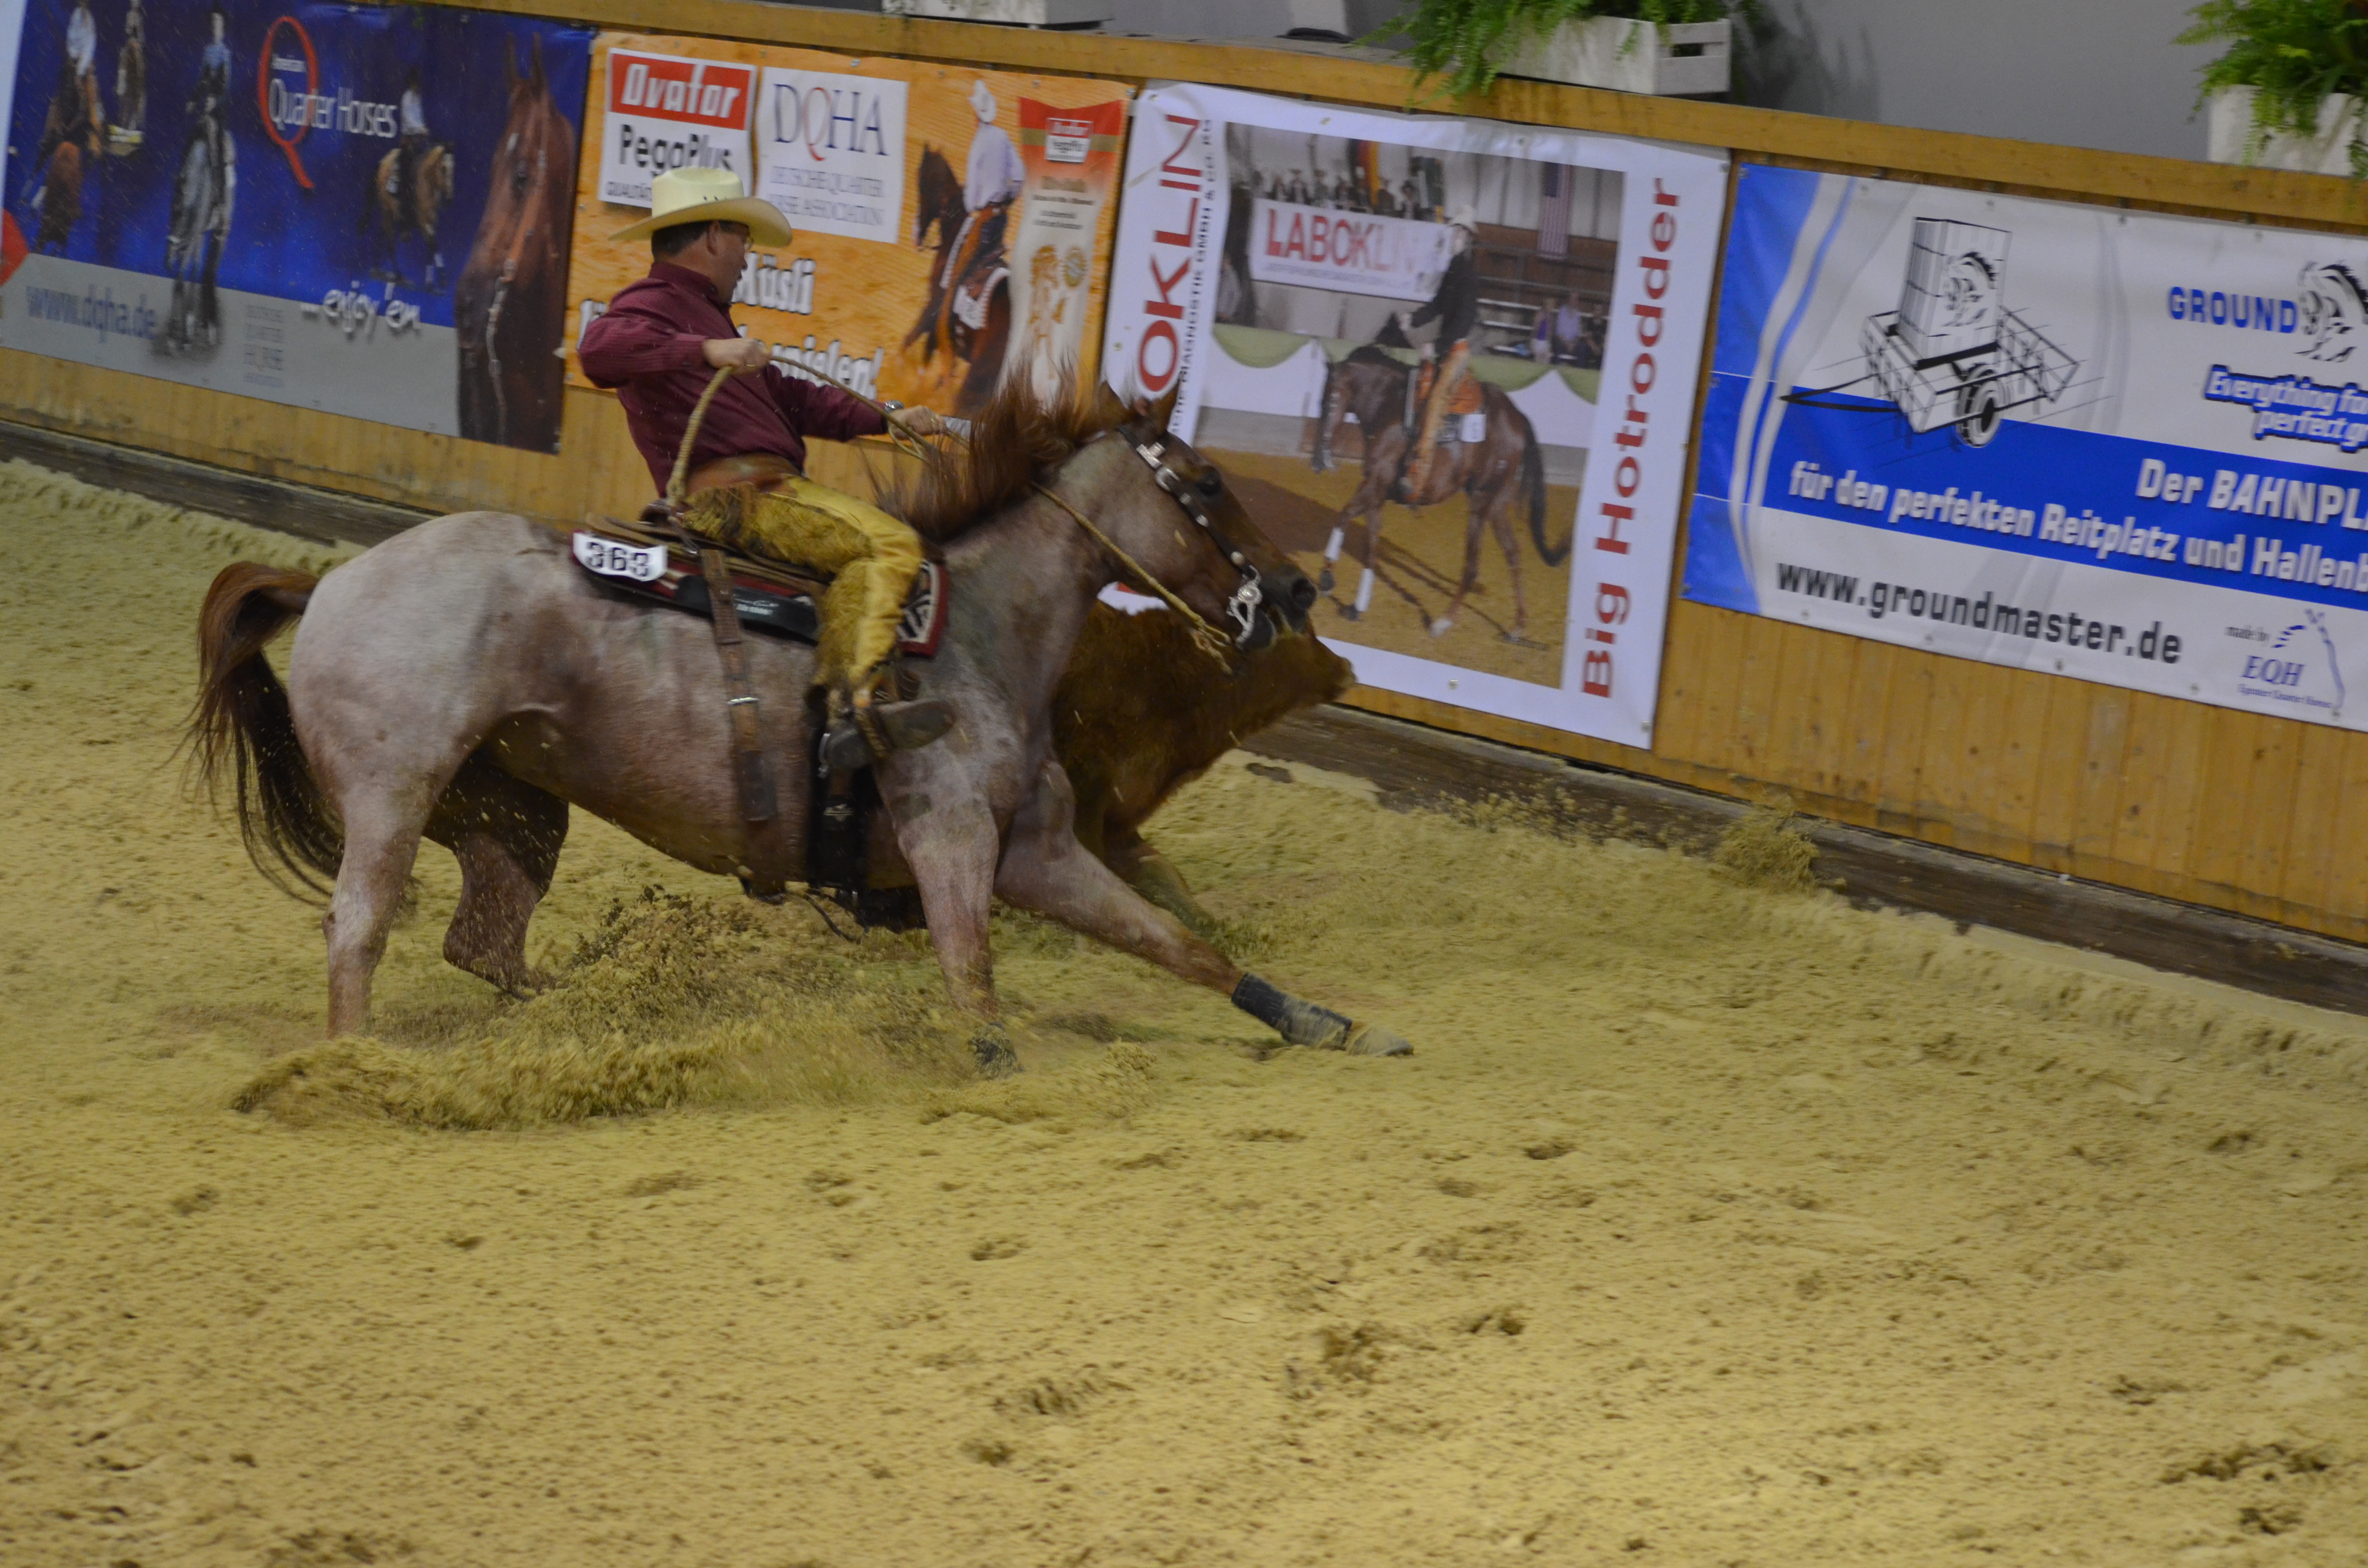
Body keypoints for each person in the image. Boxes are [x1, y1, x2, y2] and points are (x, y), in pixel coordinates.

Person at [578, 167, 953, 770]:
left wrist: (890, 418)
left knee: (873, 549)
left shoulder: (698, 311)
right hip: (737, 499)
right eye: (745, 240)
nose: (749, 257)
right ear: (717, 236)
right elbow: (597, 350)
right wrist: (705, 349)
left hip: (764, 490)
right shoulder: (655, 305)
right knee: (889, 546)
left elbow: (796, 398)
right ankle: (851, 709)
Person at [1393, 210, 1480, 502]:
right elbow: (1438, 305)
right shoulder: (1453, 269)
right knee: (1419, 388)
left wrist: (1439, 346)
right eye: (1454, 232)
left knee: (1435, 403)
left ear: (1466, 238)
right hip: (1447, 347)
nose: (1454, 237)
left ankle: (1416, 478)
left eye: (1458, 233)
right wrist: (1413, 319)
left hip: (1456, 350)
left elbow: (1464, 319)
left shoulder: (1467, 274)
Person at [393, 68, 428, 215]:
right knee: (406, 171)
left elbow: (419, 117)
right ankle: (402, 201)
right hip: (409, 137)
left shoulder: (418, 98)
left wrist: (423, 129)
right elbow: (409, 119)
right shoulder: (407, 98)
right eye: (416, 84)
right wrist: (420, 129)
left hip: (419, 138)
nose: (418, 87)